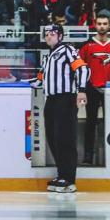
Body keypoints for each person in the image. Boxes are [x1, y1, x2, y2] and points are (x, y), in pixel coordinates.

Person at [36, 24, 91, 193]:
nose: (48, 36)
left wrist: (81, 90)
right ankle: (62, 174)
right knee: (53, 138)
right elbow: (40, 78)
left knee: (65, 138)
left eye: (52, 33)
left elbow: (82, 68)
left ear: (60, 36)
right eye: (46, 34)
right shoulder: (49, 57)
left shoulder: (67, 50)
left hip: (66, 98)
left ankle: (69, 179)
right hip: (51, 100)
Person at [78, 17, 110, 165]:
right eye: (99, 24)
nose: (102, 26)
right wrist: (84, 87)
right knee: (90, 123)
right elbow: (80, 67)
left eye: (105, 24)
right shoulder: (87, 45)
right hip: (92, 89)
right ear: (95, 25)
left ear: (109, 25)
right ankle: (88, 156)